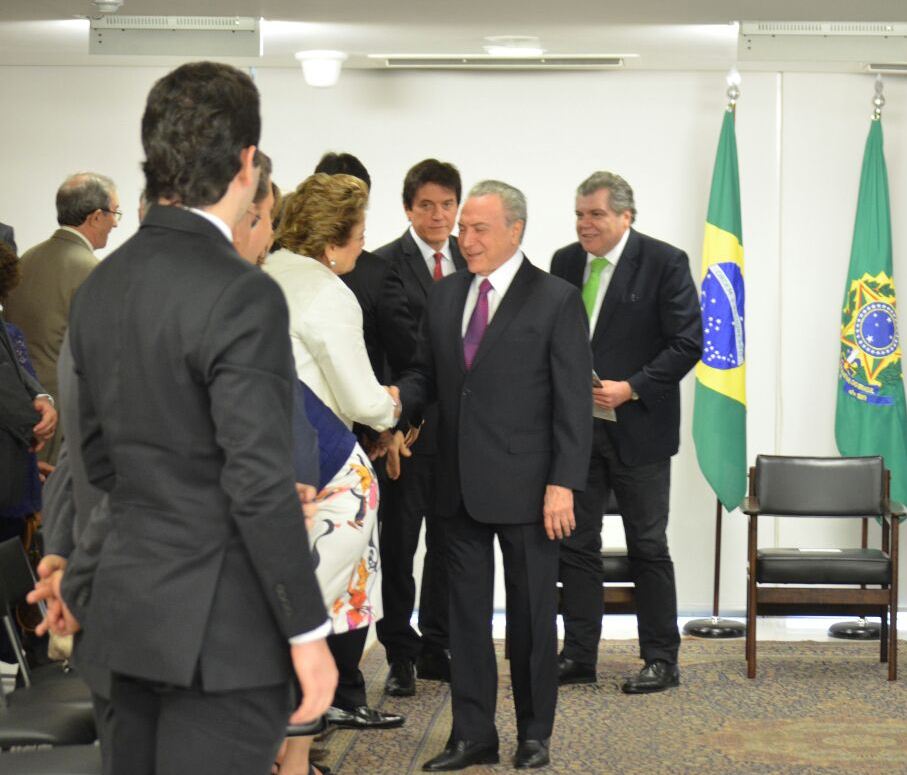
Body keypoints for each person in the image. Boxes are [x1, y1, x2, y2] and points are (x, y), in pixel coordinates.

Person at [30, 61, 337, 775]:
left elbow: (97, 460)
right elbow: (258, 483)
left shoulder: (105, 284)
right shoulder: (241, 293)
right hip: (220, 636)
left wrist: (84, 569)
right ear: (244, 162)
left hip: (122, 617)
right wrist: (305, 630)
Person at [397, 180, 592, 771]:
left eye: (480, 228)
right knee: (464, 620)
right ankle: (472, 735)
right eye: (463, 229)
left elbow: (572, 403)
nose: (466, 238)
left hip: (532, 491)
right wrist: (391, 404)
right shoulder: (445, 294)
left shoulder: (555, 299)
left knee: (532, 619)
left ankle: (534, 733)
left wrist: (564, 483)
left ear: (516, 230)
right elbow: (424, 376)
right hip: (456, 486)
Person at [264, 173, 404, 742]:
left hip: (266, 464)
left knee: (279, 604)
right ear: (331, 242)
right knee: (299, 620)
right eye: (360, 235)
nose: (363, 246)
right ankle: (286, 740)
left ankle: (296, 734)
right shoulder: (328, 293)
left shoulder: (264, 273)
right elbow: (360, 398)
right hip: (323, 469)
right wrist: (393, 407)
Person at [550, 171, 702, 694]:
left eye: (595, 215)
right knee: (576, 546)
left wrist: (631, 388)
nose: (584, 224)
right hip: (577, 431)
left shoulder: (665, 262)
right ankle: (578, 654)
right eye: (578, 214)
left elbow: (687, 344)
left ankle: (661, 658)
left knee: (647, 546)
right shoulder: (564, 263)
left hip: (639, 428)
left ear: (625, 217)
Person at [373, 158, 466, 696]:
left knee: (449, 544)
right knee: (401, 547)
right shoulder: (386, 263)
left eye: (447, 205)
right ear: (409, 207)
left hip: (459, 432)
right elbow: (394, 352)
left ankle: (436, 644)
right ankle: (400, 653)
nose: (438, 215)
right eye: (427, 205)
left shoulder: (471, 257)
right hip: (406, 435)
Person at [4, 173, 119, 464]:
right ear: (95, 217)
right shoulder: (91, 270)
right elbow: (102, 355)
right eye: (115, 213)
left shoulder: (27, 257)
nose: (116, 223)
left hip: (16, 402)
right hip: (59, 417)